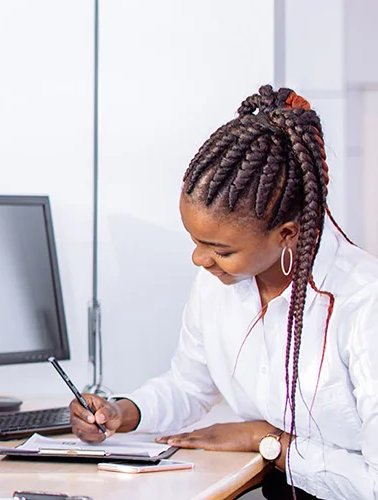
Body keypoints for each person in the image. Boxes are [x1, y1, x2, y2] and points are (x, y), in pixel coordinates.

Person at [67, 86, 378, 500]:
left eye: (220, 249)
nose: (200, 259)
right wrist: (123, 412)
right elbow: (189, 385)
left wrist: (270, 442)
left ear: (287, 235)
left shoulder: (363, 304)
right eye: (195, 240)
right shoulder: (221, 281)